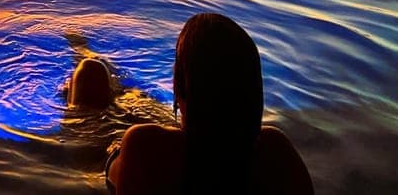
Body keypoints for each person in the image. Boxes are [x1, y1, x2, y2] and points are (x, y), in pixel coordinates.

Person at [74, 13, 313, 194]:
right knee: (129, 95)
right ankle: (101, 68)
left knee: (91, 71)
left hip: (109, 153)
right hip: (180, 138)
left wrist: (117, 150)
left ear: (181, 87)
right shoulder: (277, 152)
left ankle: (85, 55)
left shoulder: (144, 147)